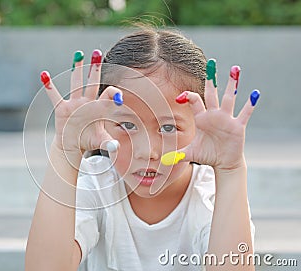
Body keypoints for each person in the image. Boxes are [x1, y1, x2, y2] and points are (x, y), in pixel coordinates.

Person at [25, 26, 259, 271]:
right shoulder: (97, 185)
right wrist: (65, 151)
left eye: (168, 128)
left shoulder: (211, 196)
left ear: (199, 127)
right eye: (127, 125)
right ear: (102, 122)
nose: (147, 152)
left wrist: (231, 170)